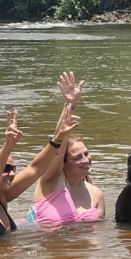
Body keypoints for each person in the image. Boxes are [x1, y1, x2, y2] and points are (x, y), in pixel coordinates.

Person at [0, 104, 80, 239]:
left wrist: (58, 139)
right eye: (6, 169)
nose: (12, 174)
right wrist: (8, 146)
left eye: (13, 169)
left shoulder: (0, 197)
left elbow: (35, 169)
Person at [30, 73, 105, 225]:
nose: (86, 160)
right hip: (48, 247)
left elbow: (99, 235)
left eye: (86, 154)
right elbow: (57, 143)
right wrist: (71, 105)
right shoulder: (51, 181)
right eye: (77, 157)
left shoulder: (97, 194)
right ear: (63, 163)